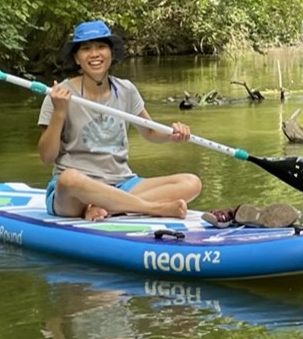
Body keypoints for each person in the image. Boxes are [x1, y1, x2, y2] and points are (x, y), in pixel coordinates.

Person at [38, 20, 201, 220]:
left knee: (191, 183)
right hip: (76, 192)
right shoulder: (58, 95)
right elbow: (46, 157)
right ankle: (153, 208)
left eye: (101, 47)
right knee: (69, 179)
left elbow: (149, 131)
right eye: (86, 49)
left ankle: (107, 207)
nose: (95, 53)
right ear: (77, 59)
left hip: (122, 182)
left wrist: (172, 134)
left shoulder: (126, 89)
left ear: (111, 53)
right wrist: (59, 112)